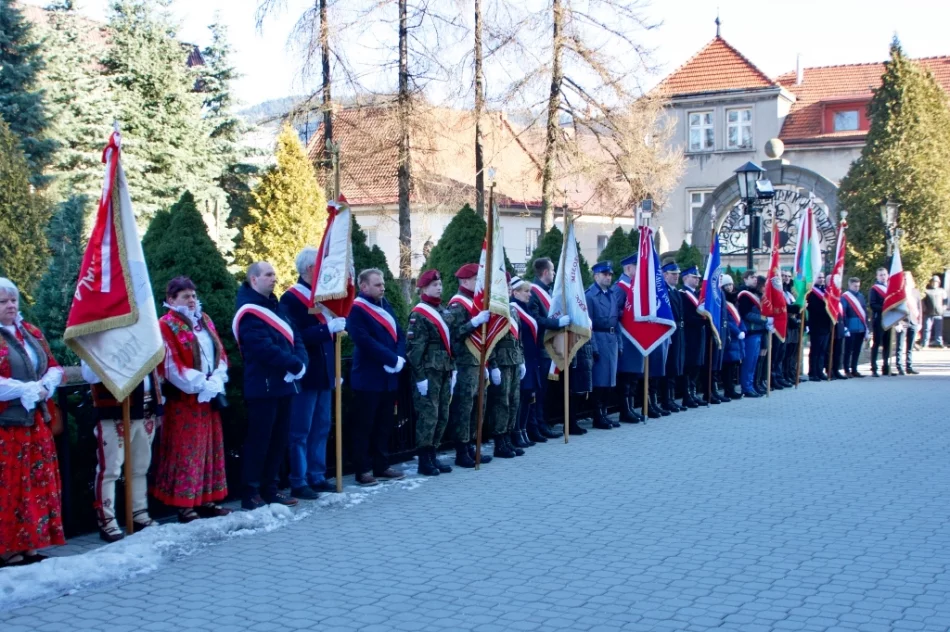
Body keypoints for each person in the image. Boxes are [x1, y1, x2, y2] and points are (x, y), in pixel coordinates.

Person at [154, 276, 231, 522]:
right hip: (185, 399)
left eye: (193, 296)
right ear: (171, 299)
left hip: (209, 396)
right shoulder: (166, 325)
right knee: (187, 450)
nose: (191, 300)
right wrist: (200, 383)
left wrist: (217, 377)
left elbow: (219, 351)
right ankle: (184, 504)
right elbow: (169, 365)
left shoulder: (204, 319)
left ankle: (206, 498)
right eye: (185, 296)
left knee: (209, 448)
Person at [0, 278, 65, 567]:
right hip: (6, 426)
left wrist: (45, 384)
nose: (10, 305)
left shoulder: (31, 332)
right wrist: (24, 389)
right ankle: (6, 549)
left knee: (36, 483)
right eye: (3, 302)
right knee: (10, 486)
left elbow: (53, 366)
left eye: (13, 300)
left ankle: (30, 544)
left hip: (35, 423)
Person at [233, 261, 308, 508]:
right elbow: (262, 347)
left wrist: (301, 363)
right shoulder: (249, 311)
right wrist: (292, 364)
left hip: (285, 384)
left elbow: (296, 337)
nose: (274, 278)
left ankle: (271, 488)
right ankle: (251, 491)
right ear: (254, 279)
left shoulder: (277, 307)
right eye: (268, 275)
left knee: (278, 441)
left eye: (274, 274)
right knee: (259, 441)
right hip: (263, 386)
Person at [280, 248, 346, 499]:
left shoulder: (324, 296)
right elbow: (294, 336)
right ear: (310, 268)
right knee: (300, 430)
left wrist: (334, 369)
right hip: (305, 375)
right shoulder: (291, 299)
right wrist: (326, 329)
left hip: (325, 373)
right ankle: (299, 480)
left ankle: (317, 475)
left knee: (322, 427)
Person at [83, 359, 162, 541]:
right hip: (114, 408)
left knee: (140, 466)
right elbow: (90, 375)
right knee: (110, 469)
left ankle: (139, 513)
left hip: (146, 406)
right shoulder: (95, 342)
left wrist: (158, 406)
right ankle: (107, 520)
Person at [347, 268, 408, 485]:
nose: (383, 287)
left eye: (383, 284)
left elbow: (399, 334)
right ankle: (362, 469)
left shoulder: (385, 304)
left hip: (388, 377)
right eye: (377, 284)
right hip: (368, 376)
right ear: (363, 286)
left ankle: (382, 465)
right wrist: (390, 359)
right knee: (365, 426)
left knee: (384, 424)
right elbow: (364, 340)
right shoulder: (356, 309)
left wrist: (399, 357)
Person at [407, 270, 456, 476]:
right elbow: (414, 350)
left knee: (443, 414)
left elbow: (451, 341)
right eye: (434, 285)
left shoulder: (442, 310)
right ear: (424, 288)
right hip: (429, 371)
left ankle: (433, 453)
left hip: (445, 368)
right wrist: (420, 377)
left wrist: (453, 369)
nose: (439, 288)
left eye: (440, 284)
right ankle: (424, 459)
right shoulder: (419, 314)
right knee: (429, 415)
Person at [445, 263, 492, 468]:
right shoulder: (458, 304)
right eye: (476, 280)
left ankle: (471, 445)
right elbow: (453, 334)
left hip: (477, 362)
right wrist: (473, 323)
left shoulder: (475, 302)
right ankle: (461, 450)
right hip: (464, 362)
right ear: (465, 281)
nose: (481, 284)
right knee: (464, 408)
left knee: (478, 406)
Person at [529, 257, 569, 438]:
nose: (553, 273)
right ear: (545, 272)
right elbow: (535, 319)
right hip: (541, 348)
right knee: (540, 390)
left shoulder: (549, 291)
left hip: (551, 347)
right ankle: (537, 425)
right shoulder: (533, 292)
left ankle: (544, 422)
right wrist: (557, 323)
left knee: (547, 391)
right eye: (552, 270)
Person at [487, 273, 526, 457]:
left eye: (510, 286)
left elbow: (519, 339)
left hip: (515, 361)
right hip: (501, 362)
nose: (509, 289)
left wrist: (522, 360)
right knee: (501, 402)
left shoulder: (513, 310)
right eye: (506, 286)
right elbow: (491, 341)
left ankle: (508, 438)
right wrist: (493, 365)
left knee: (513, 401)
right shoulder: (494, 310)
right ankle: (499, 441)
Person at [586, 261, 621, 429]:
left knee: (610, 381)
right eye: (605, 274)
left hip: (611, 338)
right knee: (599, 381)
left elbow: (617, 320)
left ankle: (604, 413)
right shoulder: (590, 296)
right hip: (599, 338)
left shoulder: (612, 294)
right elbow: (588, 324)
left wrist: (620, 343)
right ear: (596, 276)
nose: (608, 277)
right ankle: (597, 415)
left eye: (610, 274)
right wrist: (593, 346)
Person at [511, 277, 546, 443]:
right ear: (515, 293)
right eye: (526, 291)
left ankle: (525, 430)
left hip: (532, 358)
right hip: (522, 358)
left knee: (529, 396)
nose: (529, 294)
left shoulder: (526, 308)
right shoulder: (513, 309)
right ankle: (516, 432)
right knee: (521, 397)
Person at [613, 254, 645, 423]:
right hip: (625, 336)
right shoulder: (620, 288)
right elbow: (614, 311)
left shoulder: (634, 286)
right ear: (628, 268)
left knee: (634, 376)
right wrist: (631, 314)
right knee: (626, 376)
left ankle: (631, 407)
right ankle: (625, 410)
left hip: (635, 337)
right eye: (637, 266)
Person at [737, 271, 770, 398]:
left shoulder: (756, 294)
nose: (755, 279)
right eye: (752, 277)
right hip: (750, 332)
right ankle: (746, 387)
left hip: (758, 331)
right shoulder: (744, 295)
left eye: (756, 277)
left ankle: (751, 385)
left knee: (754, 362)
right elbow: (746, 314)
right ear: (745, 279)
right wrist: (764, 319)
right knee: (749, 362)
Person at [660, 262, 686, 412]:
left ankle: (671, 398)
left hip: (678, 332)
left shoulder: (676, 291)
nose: (676, 276)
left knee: (675, 366)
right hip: (669, 332)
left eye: (677, 274)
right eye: (673, 274)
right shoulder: (664, 291)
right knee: (669, 366)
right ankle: (666, 400)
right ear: (665, 275)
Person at [679, 266, 706, 407]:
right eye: (694, 277)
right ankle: (687, 395)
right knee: (689, 366)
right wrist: (703, 321)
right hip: (689, 334)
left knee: (696, 365)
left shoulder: (698, 295)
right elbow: (686, 316)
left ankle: (693, 393)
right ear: (685, 278)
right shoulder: (683, 294)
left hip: (699, 334)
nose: (697, 279)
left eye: (698, 277)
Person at [721, 276, 745, 399]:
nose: (729, 287)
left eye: (730, 284)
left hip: (736, 338)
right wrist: (737, 332)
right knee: (728, 366)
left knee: (734, 365)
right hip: (730, 336)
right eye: (726, 285)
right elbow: (727, 320)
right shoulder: (723, 300)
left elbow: (739, 318)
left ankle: (732, 389)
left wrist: (743, 329)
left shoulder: (733, 300)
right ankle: (728, 390)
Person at [806, 273, 832, 382]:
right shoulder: (812, 292)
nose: (821, 279)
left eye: (822, 278)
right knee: (815, 350)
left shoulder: (825, 291)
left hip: (826, 325)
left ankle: (820, 371)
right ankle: (813, 372)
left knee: (822, 350)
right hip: (816, 325)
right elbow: (814, 308)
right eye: (819, 278)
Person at [842, 277, 868, 377]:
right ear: (850, 285)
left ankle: (854, 369)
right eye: (855, 286)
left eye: (858, 286)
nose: (857, 288)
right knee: (848, 350)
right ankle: (846, 369)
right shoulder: (845, 297)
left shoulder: (861, 296)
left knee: (857, 350)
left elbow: (864, 311)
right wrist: (845, 326)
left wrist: (866, 327)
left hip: (860, 327)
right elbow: (843, 313)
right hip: (850, 327)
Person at [868, 267, 891, 376]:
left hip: (889, 319)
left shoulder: (890, 288)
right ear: (877, 277)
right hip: (879, 319)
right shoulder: (874, 289)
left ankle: (886, 367)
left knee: (887, 343)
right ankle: (874, 368)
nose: (883, 277)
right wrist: (885, 308)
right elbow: (873, 304)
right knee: (877, 343)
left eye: (884, 274)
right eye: (881, 275)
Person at [782, 271, 804, 383]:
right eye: (784, 276)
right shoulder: (780, 291)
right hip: (786, 324)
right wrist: (798, 308)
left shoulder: (790, 291)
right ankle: (784, 375)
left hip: (794, 324)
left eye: (789, 276)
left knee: (792, 352)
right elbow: (786, 308)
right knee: (785, 353)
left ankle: (791, 373)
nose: (787, 278)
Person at [922, 275, 946, 348]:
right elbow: (922, 301)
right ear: (931, 282)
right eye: (933, 282)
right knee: (927, 329)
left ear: (938, 283)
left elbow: (945, 300)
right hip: (928, 313)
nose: (934, 283)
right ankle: (925, 343)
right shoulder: (926, 291)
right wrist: (924, 308)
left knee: (938, 329)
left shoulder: (942, 291)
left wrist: (944, 307)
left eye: (936, 282)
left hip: (939, 313)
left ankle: (939, 342)